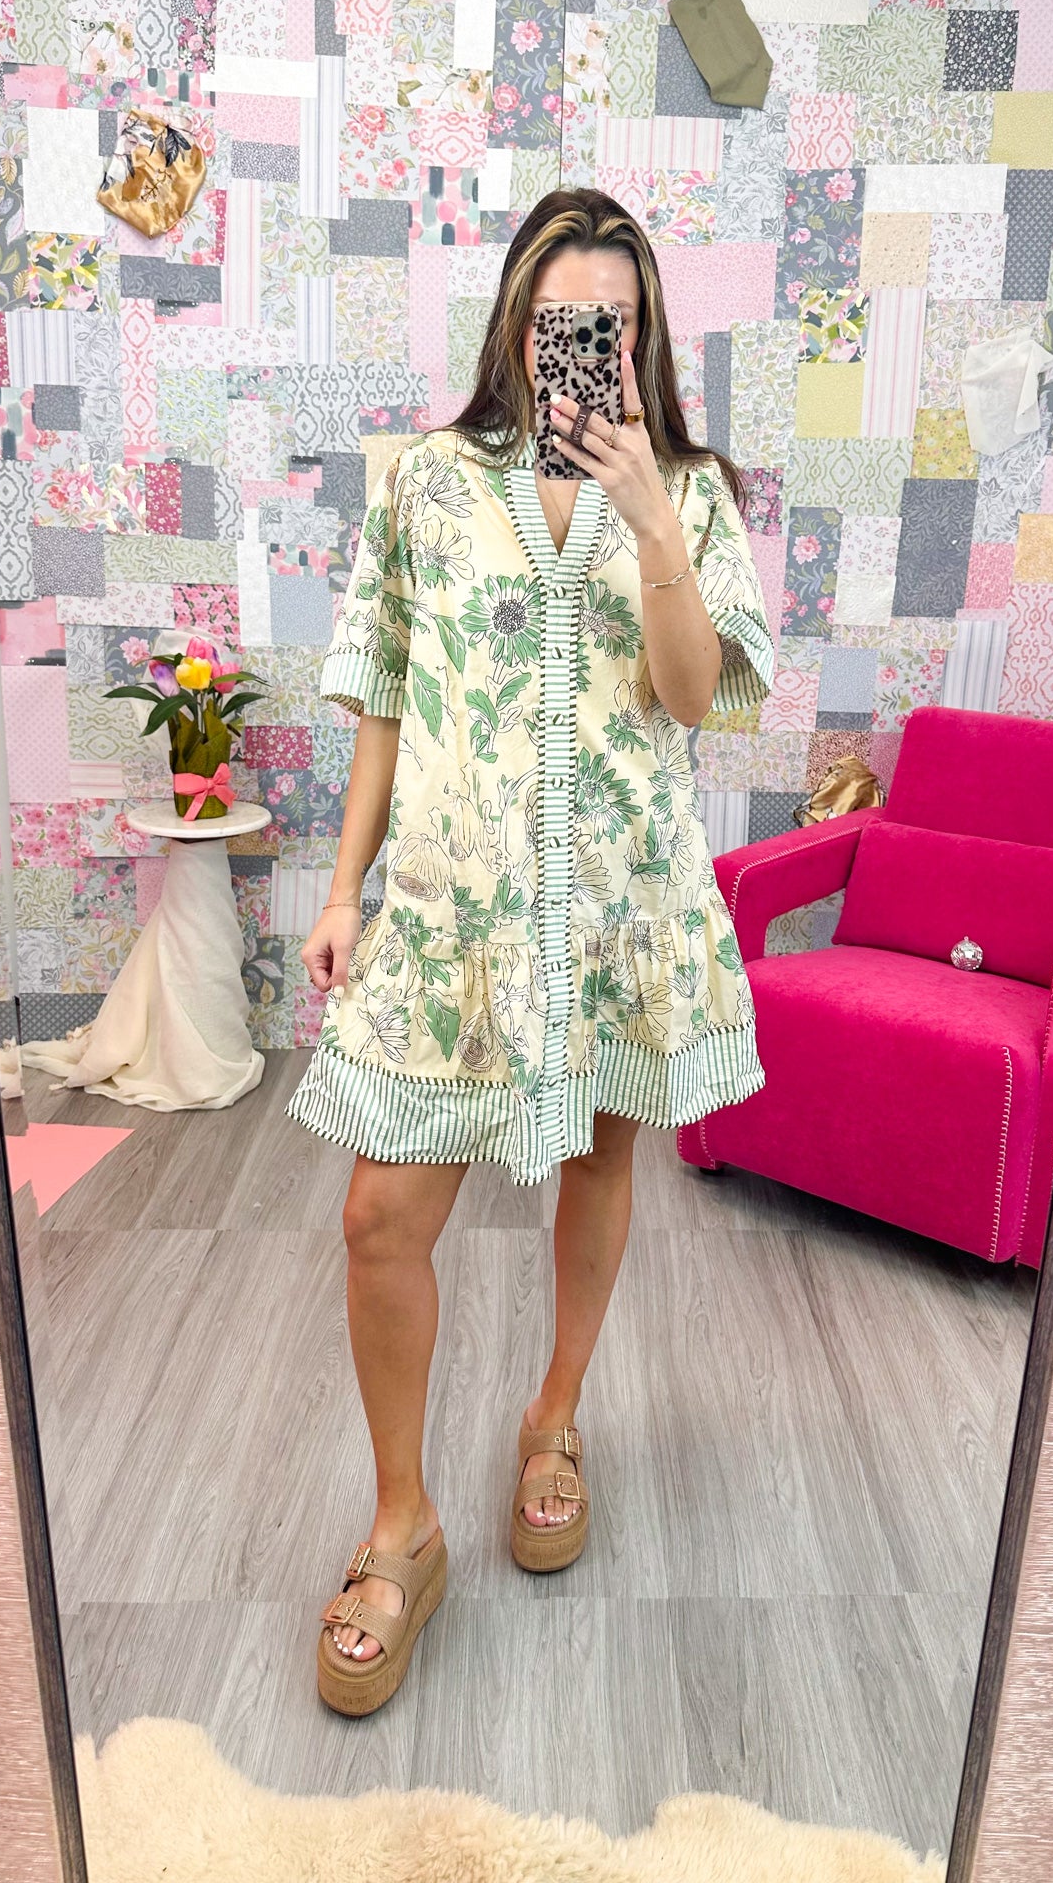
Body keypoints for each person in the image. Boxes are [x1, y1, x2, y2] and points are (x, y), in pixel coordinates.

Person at [290, 187, 773, 1717]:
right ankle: (402, 1523)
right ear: (514, 321)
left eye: (610, 324)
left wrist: (651, 524)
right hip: (454, 917)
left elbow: (693, 699)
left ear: (643, 337)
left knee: (603, 1157)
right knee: (381, 1215)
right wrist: (344, 888)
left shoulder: (690, 493)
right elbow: (385, 689)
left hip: (621, 904)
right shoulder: (428, 486)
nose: (584, 346)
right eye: (561, 318)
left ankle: (554, 1414)